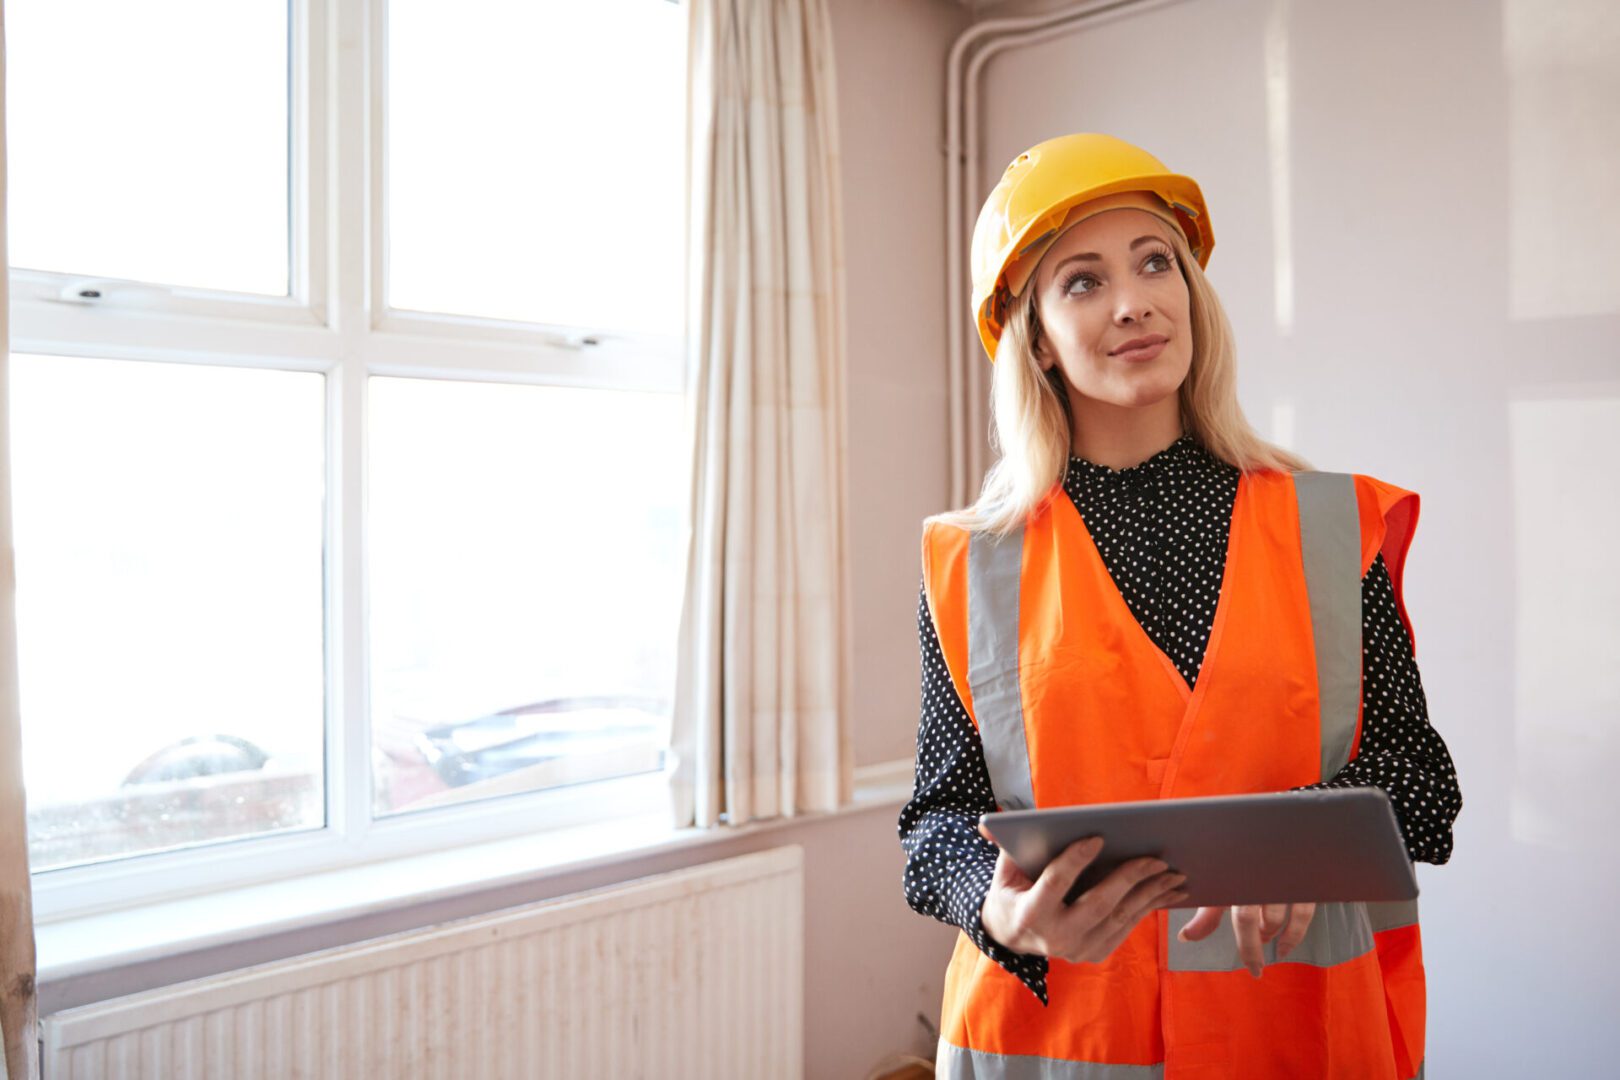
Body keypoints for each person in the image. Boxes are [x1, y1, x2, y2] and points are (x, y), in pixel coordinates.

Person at [897, 133, 1461, 1079]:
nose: (1134, 301)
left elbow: (1423, 783)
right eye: (1083, 281)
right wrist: (998, 907)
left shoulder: (1330, 524)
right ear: (1036, 338)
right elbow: (936, 823)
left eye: (1155, 262)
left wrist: (1300, 843)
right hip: (1056, 1046)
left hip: (1294, 1036)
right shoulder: (973, 563)